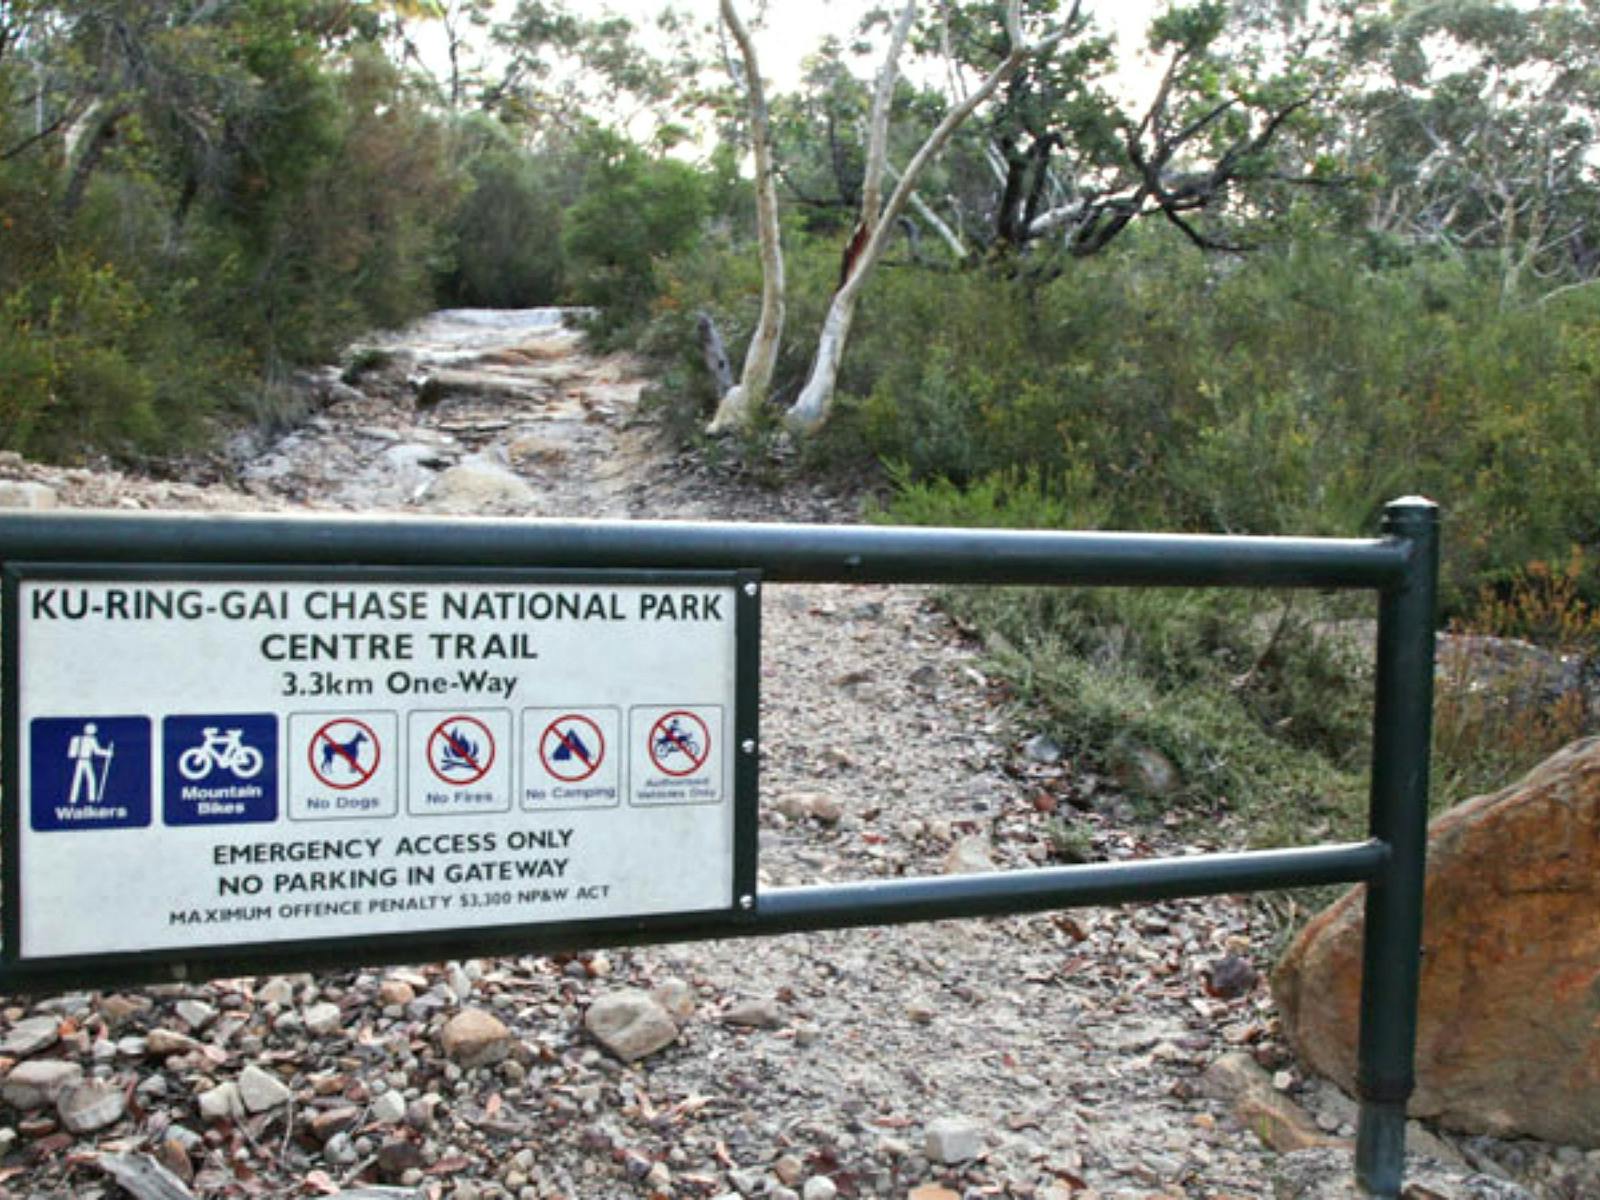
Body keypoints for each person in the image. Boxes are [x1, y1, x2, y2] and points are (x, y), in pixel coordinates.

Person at [67, 722, 112, 804]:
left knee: (78, 780)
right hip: (85, 761)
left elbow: (71, 754)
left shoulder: (77, 739)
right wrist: (108, 753)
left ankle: (74, 799)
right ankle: (90, 799)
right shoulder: (91, 740)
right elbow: (97, 751)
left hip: (81, 761)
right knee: (90, 779)